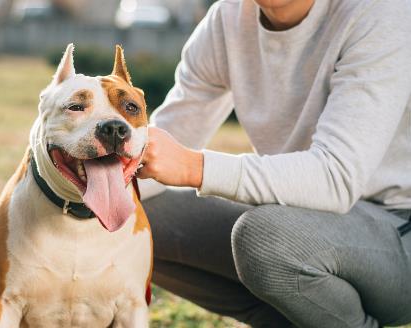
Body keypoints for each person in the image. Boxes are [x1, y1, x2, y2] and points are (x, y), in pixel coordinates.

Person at [137, 0, 411, 327]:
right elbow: (159, 148)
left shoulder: (381, 11)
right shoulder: (228, 19)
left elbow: (336, 178)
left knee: (266, 238)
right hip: (298, 221)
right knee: (131, 216)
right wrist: (86, 193)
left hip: (397, 230)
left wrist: (195, 167)